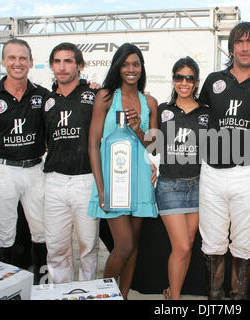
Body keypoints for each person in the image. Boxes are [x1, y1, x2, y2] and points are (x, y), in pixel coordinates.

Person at [198, 21, 250, 300]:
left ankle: (238, 298)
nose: (245, 47)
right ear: (231, 46)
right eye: (239, 41)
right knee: (212, 243)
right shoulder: (214, 81)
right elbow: (201, 121)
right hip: (212, 172)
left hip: (248, 174)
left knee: (244, 243)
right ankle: (215, 298)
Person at [0, 39, 48, 284]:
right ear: (3, 61)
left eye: (22, 58)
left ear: (31, 62)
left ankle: (41, 283)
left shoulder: (42, 94)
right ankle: (7, 286)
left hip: (35, 169)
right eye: (12, 58)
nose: (17, 63)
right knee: (4, 235)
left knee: (41, 230)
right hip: (0, 171)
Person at [87, 43, 158, 299]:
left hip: (139, 180)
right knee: (124, 245)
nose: (131, 69)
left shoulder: (149, 101)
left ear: (141, 67)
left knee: (133, 246)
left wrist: (139, 128)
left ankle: (123, 295)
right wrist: (101, 187)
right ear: (118, 66)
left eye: (136, 64)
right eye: (126, 64)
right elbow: (93, 144)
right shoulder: (105, 97)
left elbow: (154, 146)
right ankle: (104, 292)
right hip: (113, 181)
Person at [42, 42, 100, 283]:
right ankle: (59, 292)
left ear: (79, 65)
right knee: (56, 247)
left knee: (88, 246)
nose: (62, 67)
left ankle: (87, 292)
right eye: (57, 61)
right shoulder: (45, 100)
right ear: (52, 66)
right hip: (54, 181)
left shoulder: (94, 94)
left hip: (86, 180)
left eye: (68, 61)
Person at [155, 57, 208, 300]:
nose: (184, 82)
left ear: (196, 82)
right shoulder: (163, 111)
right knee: (183, 247)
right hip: (169, 186)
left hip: (198, 185)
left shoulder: (207, 112)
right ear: (173, 79)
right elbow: (149, 145)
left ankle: (171, 291)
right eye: (179, 77)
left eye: (189, 78)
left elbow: (222, 141)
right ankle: (174, 300)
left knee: (186, 246)